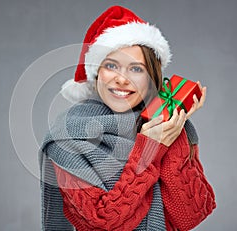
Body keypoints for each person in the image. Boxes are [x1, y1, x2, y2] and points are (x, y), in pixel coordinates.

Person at [39, 5, 216, 231]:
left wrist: (173, 125)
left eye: (136, 69)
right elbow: (105, 221)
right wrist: (149, 149)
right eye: (111, 65)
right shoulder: (66, 140)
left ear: (152, 77)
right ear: (96, 72)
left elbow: (191, 215)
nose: (122, 79)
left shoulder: (160, 125)